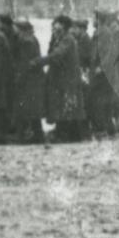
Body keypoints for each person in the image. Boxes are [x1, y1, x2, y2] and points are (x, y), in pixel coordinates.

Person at [44, 14, 87, 142]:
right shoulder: (60, 38)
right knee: (65, 106)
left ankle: (66, 135)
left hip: (68, 79)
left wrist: (39, 61)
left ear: (63, 26)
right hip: (63, 78)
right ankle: (66, 133)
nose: (54, 27)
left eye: (56, 24)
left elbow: (57, 54)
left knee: (67, 106)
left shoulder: (67, 39)